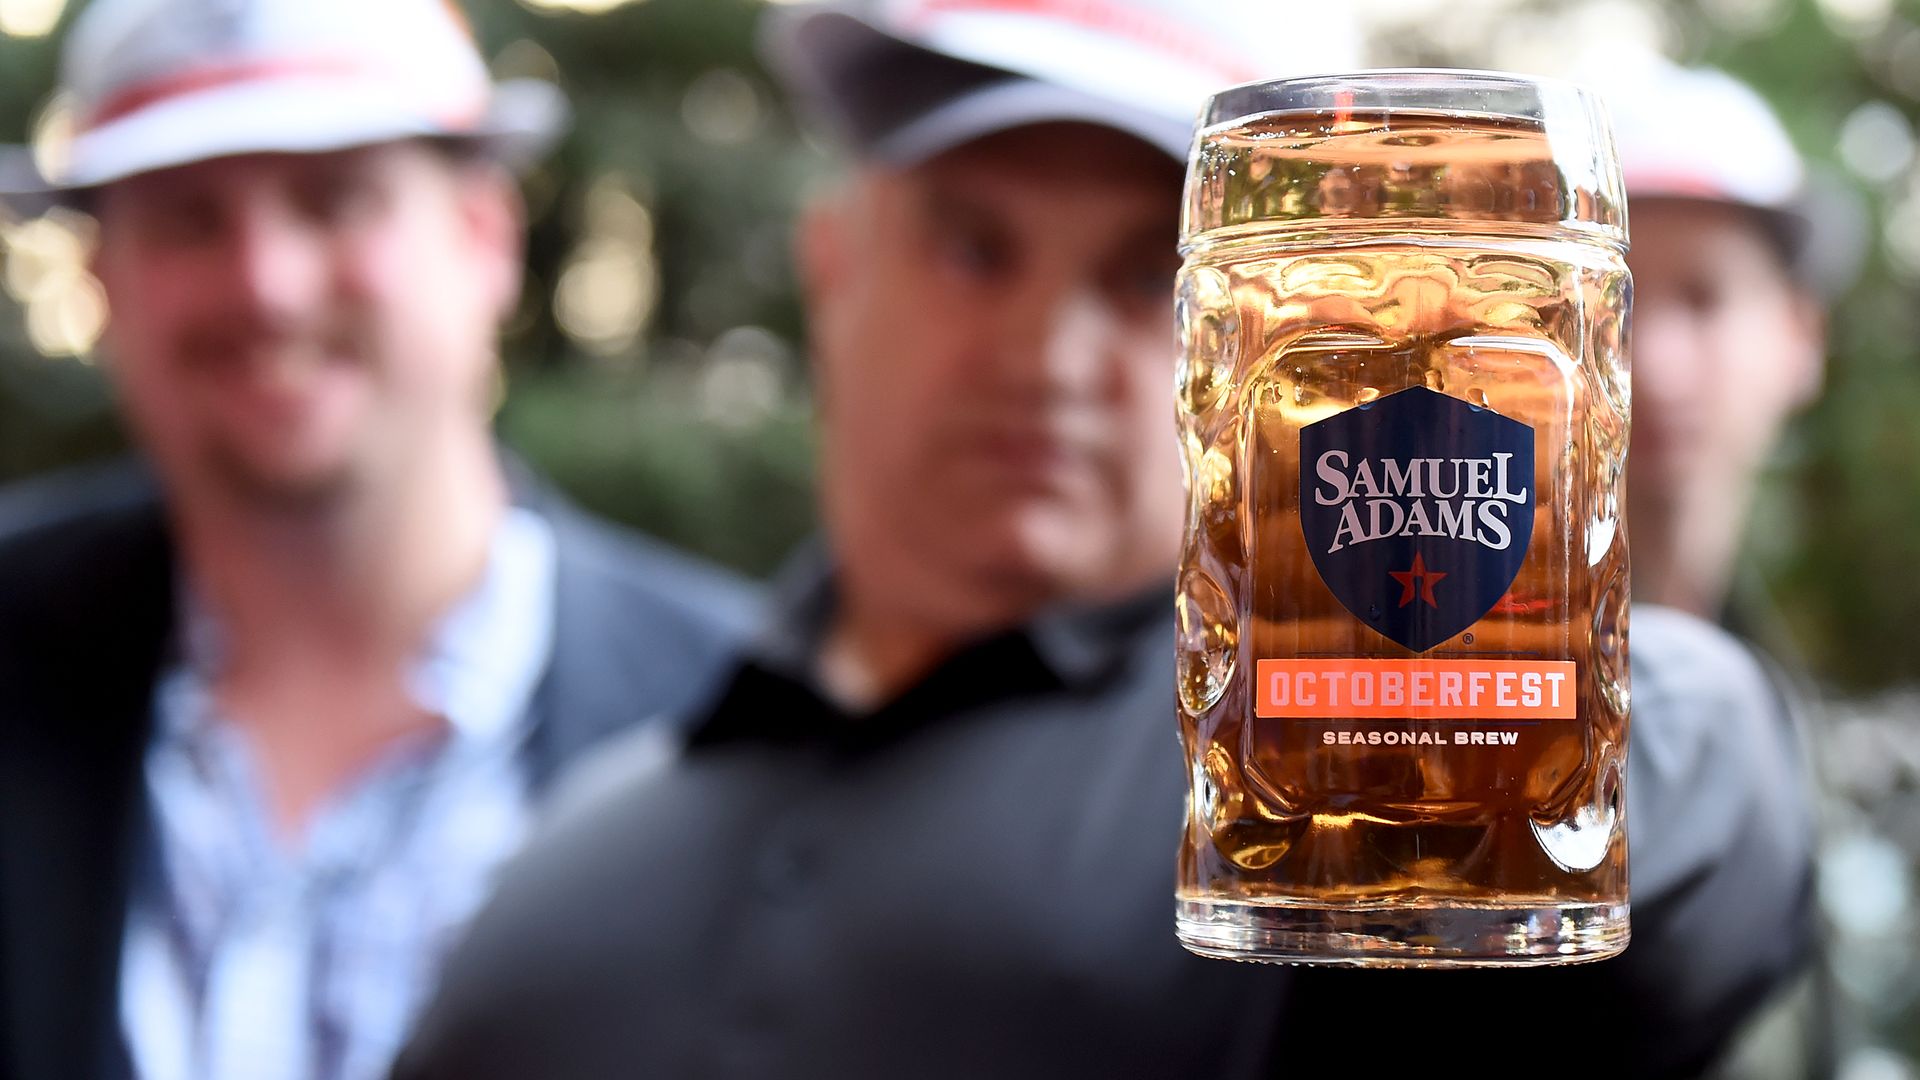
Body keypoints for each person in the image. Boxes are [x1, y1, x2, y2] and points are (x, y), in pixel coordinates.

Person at [394, 5, 1816, 1078]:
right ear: (834, 264)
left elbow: (1696, 852)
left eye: (1145, 277)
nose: (1051, 357)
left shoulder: (1281, 809)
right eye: (975, 247)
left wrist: (1648, 734)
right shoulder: (586, 825)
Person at [0, 2, 755, 1079]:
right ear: (100, 282)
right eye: (188, 220)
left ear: (484, 237)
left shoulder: (742, 725)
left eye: (335, 199)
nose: (267, 284)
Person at [1606, 63, 1851, 631]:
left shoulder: (1774, 673)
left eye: (1704, 299)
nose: (1655, 367)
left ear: (1801, 335)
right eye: (1612, 304)